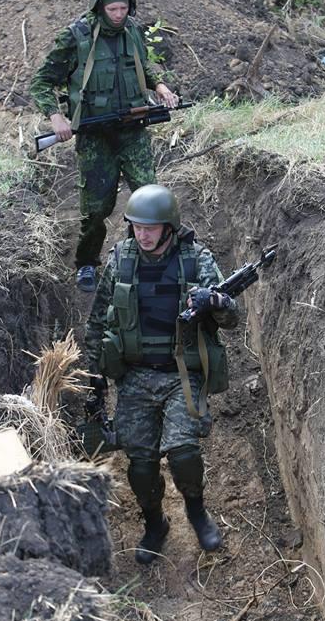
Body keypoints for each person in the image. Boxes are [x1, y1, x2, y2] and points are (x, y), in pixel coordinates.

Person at [85, 184, 239, 564]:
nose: (143, 234)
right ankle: (155, 522)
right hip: (135, 377)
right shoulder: (121, 260)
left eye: (151, 227)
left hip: (181, 374)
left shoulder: (195, 260)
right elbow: (96, 321)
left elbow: (231, 318)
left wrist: (214, 301)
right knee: (140, 462)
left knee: (184, 451)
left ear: (169, 227)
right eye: (137, 226)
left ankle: (197, 511)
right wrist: (95, 378)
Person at [30, 0, 179, 292]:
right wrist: (56, 117)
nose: (118, 15)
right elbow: (42, 80)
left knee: (149, 197)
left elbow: (144, 66)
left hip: (133, 132)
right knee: (97, 208)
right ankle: (86, 263)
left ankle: (146, 261)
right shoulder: (76, 36)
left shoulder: (133, 32)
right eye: (112, 9)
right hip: (95, 137)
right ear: (98, 7)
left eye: (123, 8)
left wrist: (161, 86)